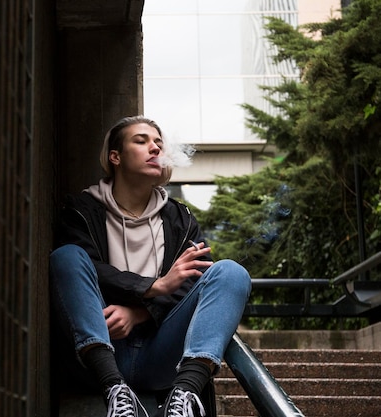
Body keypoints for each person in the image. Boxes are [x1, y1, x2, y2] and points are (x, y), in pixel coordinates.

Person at [49, 116, 252, 417]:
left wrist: (140, 311)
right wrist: (153, 286)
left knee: (231, 273)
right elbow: (86, 270)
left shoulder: (180, 220)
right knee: (66, 256)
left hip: (162, 353)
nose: (155, 148)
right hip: (102, 353)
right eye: (141, 141)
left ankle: (183, 395)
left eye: (159, 142)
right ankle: (115, 391)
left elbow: (194, 280)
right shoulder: (82, 211)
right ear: (115, 157)